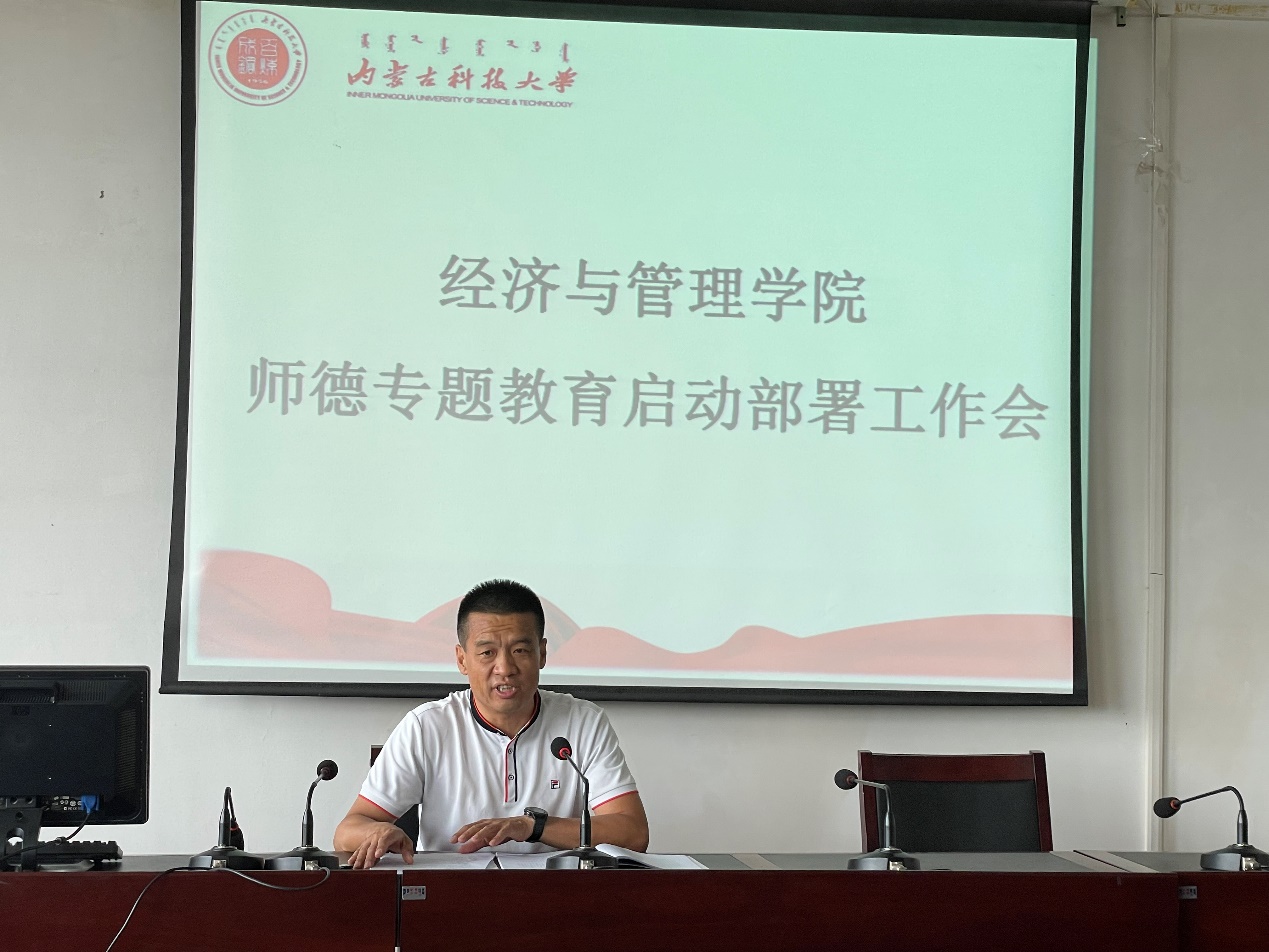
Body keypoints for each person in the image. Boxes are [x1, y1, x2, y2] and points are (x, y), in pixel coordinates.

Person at [334, 579, 650, 868]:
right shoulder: (426, 726)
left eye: (520, 650)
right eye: (487, 652)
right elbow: (348, 830)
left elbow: (633, 833)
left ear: (541, 654)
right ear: (462, 659)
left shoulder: (584, 722)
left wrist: (532, 827)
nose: (505, 668)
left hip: (554, 893)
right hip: (451, 892)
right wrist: (376, 832)